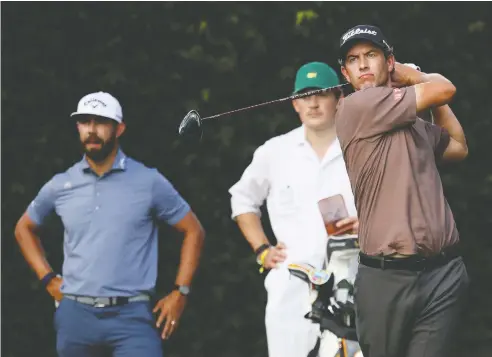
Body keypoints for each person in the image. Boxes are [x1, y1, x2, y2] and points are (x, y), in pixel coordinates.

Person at [14, 91, 205, 357]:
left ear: (119, 129)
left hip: (132, 316)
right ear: (78, 127)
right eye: (85, 122)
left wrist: (180, 292)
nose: (92, 130)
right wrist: (47, 279)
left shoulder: (148, 181)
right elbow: (24, 228)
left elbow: (193, 230)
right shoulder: (61, 184)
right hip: (75, 315)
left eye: (101, 122)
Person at [334, 25, 469, 357]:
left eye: (371, 55)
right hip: (387, 278)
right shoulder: (358, 106)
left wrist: (419, 86)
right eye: (353, 59)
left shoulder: (412, 122)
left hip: (444, 272)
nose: (363, 65)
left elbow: (458, 148)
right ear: (345, 73)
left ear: (387, 61)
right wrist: (413, 75)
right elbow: (446, 88)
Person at [229, 62, 361, 357]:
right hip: (292, 288)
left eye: (322, 94)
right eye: (305, 96)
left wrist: (366, 226)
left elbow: (390, 204)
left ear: (339, 99)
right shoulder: (275, 151)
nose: (313, 103)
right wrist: (262, 249)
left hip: (352, 282)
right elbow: (242, 199)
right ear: (294, 103)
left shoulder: (360, 149)